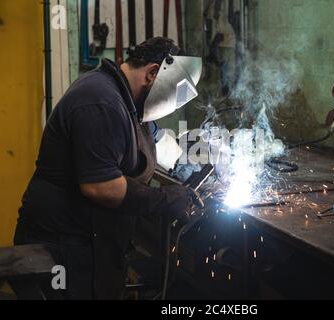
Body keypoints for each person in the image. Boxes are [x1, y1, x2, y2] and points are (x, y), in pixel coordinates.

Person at [13, 37, 202, 299]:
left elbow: (150, 136)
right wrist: (164, 199)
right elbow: (100, 187)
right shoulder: (100, 101)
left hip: (86, 241)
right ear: (153, 73)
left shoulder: (124, 98)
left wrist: (185, 165)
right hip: (61, 247)